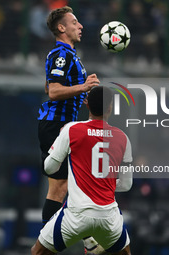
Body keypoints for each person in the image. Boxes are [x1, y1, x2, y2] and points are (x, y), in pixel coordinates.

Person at [32, 86, 133, 255]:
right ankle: (93, 242)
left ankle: (90, 240)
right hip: (108, 216)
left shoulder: (72, 130)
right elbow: (126, 185)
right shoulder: (122, 137)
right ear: (110, 108)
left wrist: (57, 147)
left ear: (86, 104)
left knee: (38, 252)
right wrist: (101, 183)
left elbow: (49, 167)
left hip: (76, 214)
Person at [37, 6, 100, 253]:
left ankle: (72, 238)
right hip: (55, 126)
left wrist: (76, 95)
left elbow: (47, 87)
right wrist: (82, 88)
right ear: (61, 28)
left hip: (64, 127)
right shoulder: (61, 54)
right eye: (74, 22)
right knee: (60, 187)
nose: (80, 26)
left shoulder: (69, 55)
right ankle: (48, 242)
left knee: (71, 183)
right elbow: (53, 91)